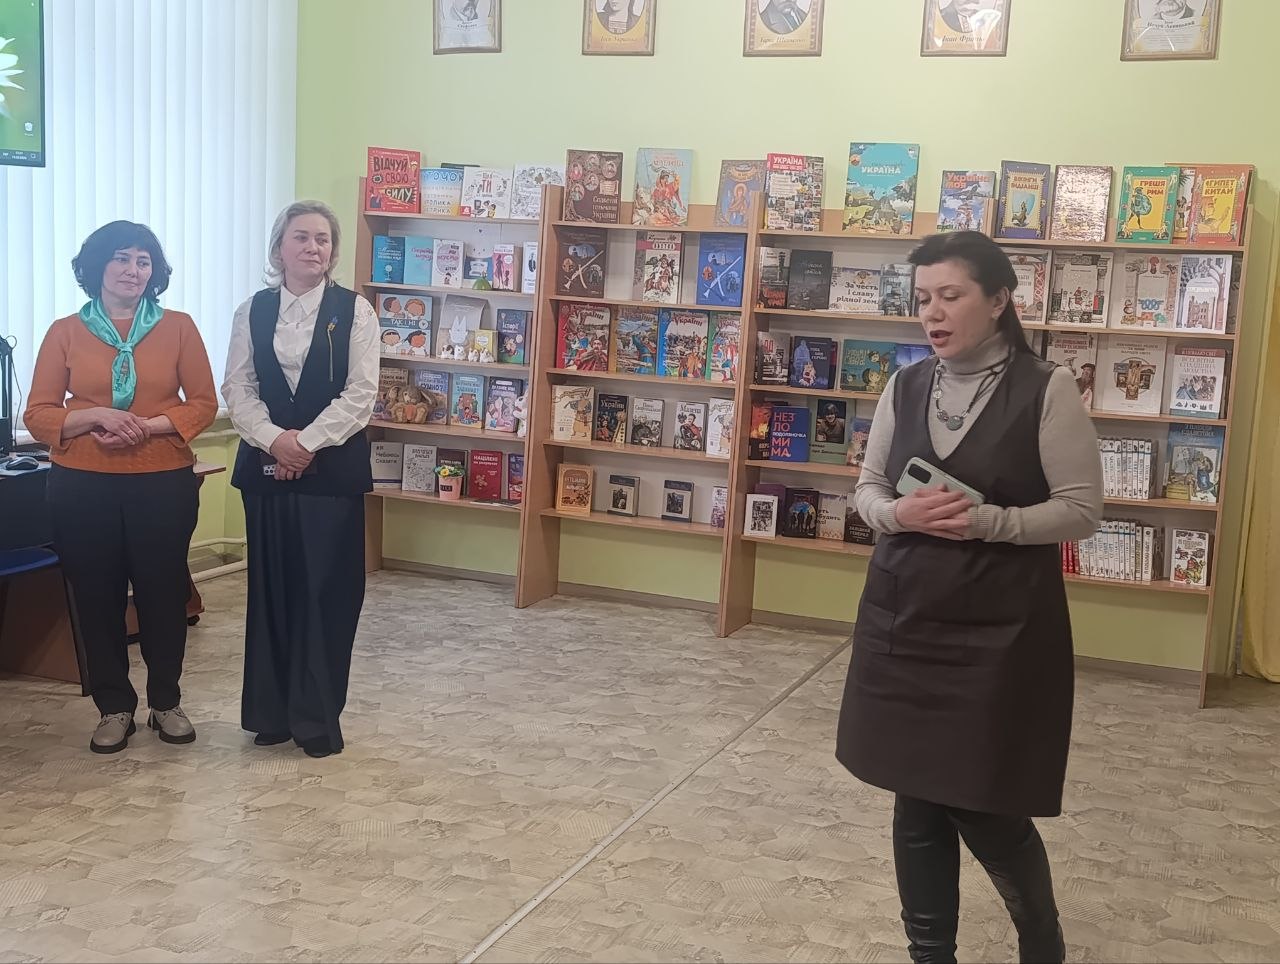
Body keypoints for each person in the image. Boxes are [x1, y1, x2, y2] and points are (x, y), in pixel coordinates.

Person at [835, 231, 1103, 964]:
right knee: (915, 797)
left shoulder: (1047, 388)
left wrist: (987, 522)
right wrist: (898, 513)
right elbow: (867, 491)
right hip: (905, 620)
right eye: (923, 298)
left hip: (1000, 630)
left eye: (950, 296)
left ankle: (1041, 941)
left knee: (985, 805)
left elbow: (1081, 511)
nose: (932, 312)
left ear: (999, 300)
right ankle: (931, 957)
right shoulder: (905, 385)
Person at [24, 221, 217, 753]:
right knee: (96, 597)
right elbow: (38, 413)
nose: (134, 270)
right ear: (97, 266)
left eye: (144, 261)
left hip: (161, 482)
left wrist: (145, 426)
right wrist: (96, 417)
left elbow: (204, 403)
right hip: (82, 485)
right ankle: (114, 707)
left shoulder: (178, 327)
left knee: (163, 594)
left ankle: (166, 702)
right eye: (122, 258)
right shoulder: (65, 331)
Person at [222, 201, 378, 759]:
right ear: (279, 248)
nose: (314, 247)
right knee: (271, 593)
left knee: (324, 595)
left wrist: (305, 444)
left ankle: (316, 719)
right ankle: (270, 713)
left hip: (331, 474)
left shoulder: (355, 311)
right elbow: (238, 388)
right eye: (301, 237)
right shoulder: (253, 310)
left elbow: (361, 394)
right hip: (266, 472)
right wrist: (276, 441)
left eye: (323, 239)